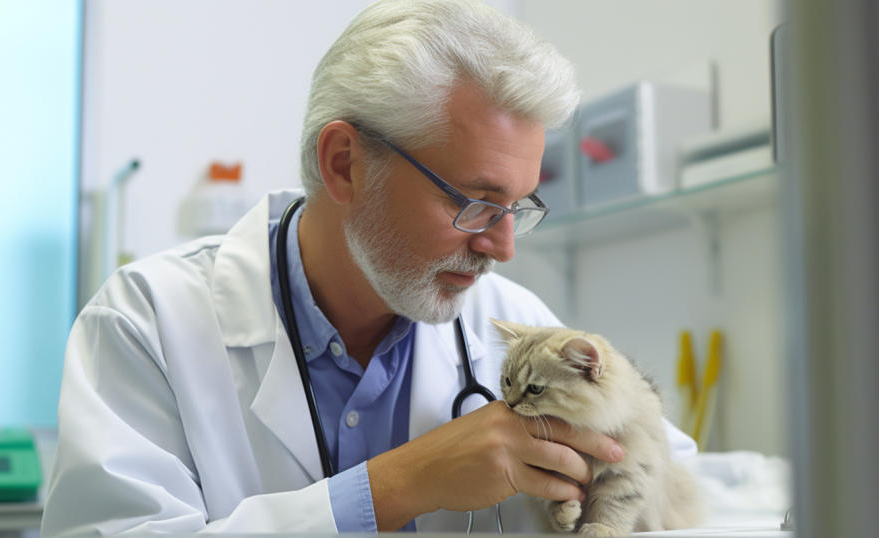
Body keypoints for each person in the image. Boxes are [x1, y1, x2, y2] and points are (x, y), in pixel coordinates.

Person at [41, 0, 695, 534]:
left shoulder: (512, 321)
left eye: (517, 208)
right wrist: (398, 485)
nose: (502, 249)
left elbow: (674, 476)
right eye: (474, 203)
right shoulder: (144, 322)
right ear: (344, 164)